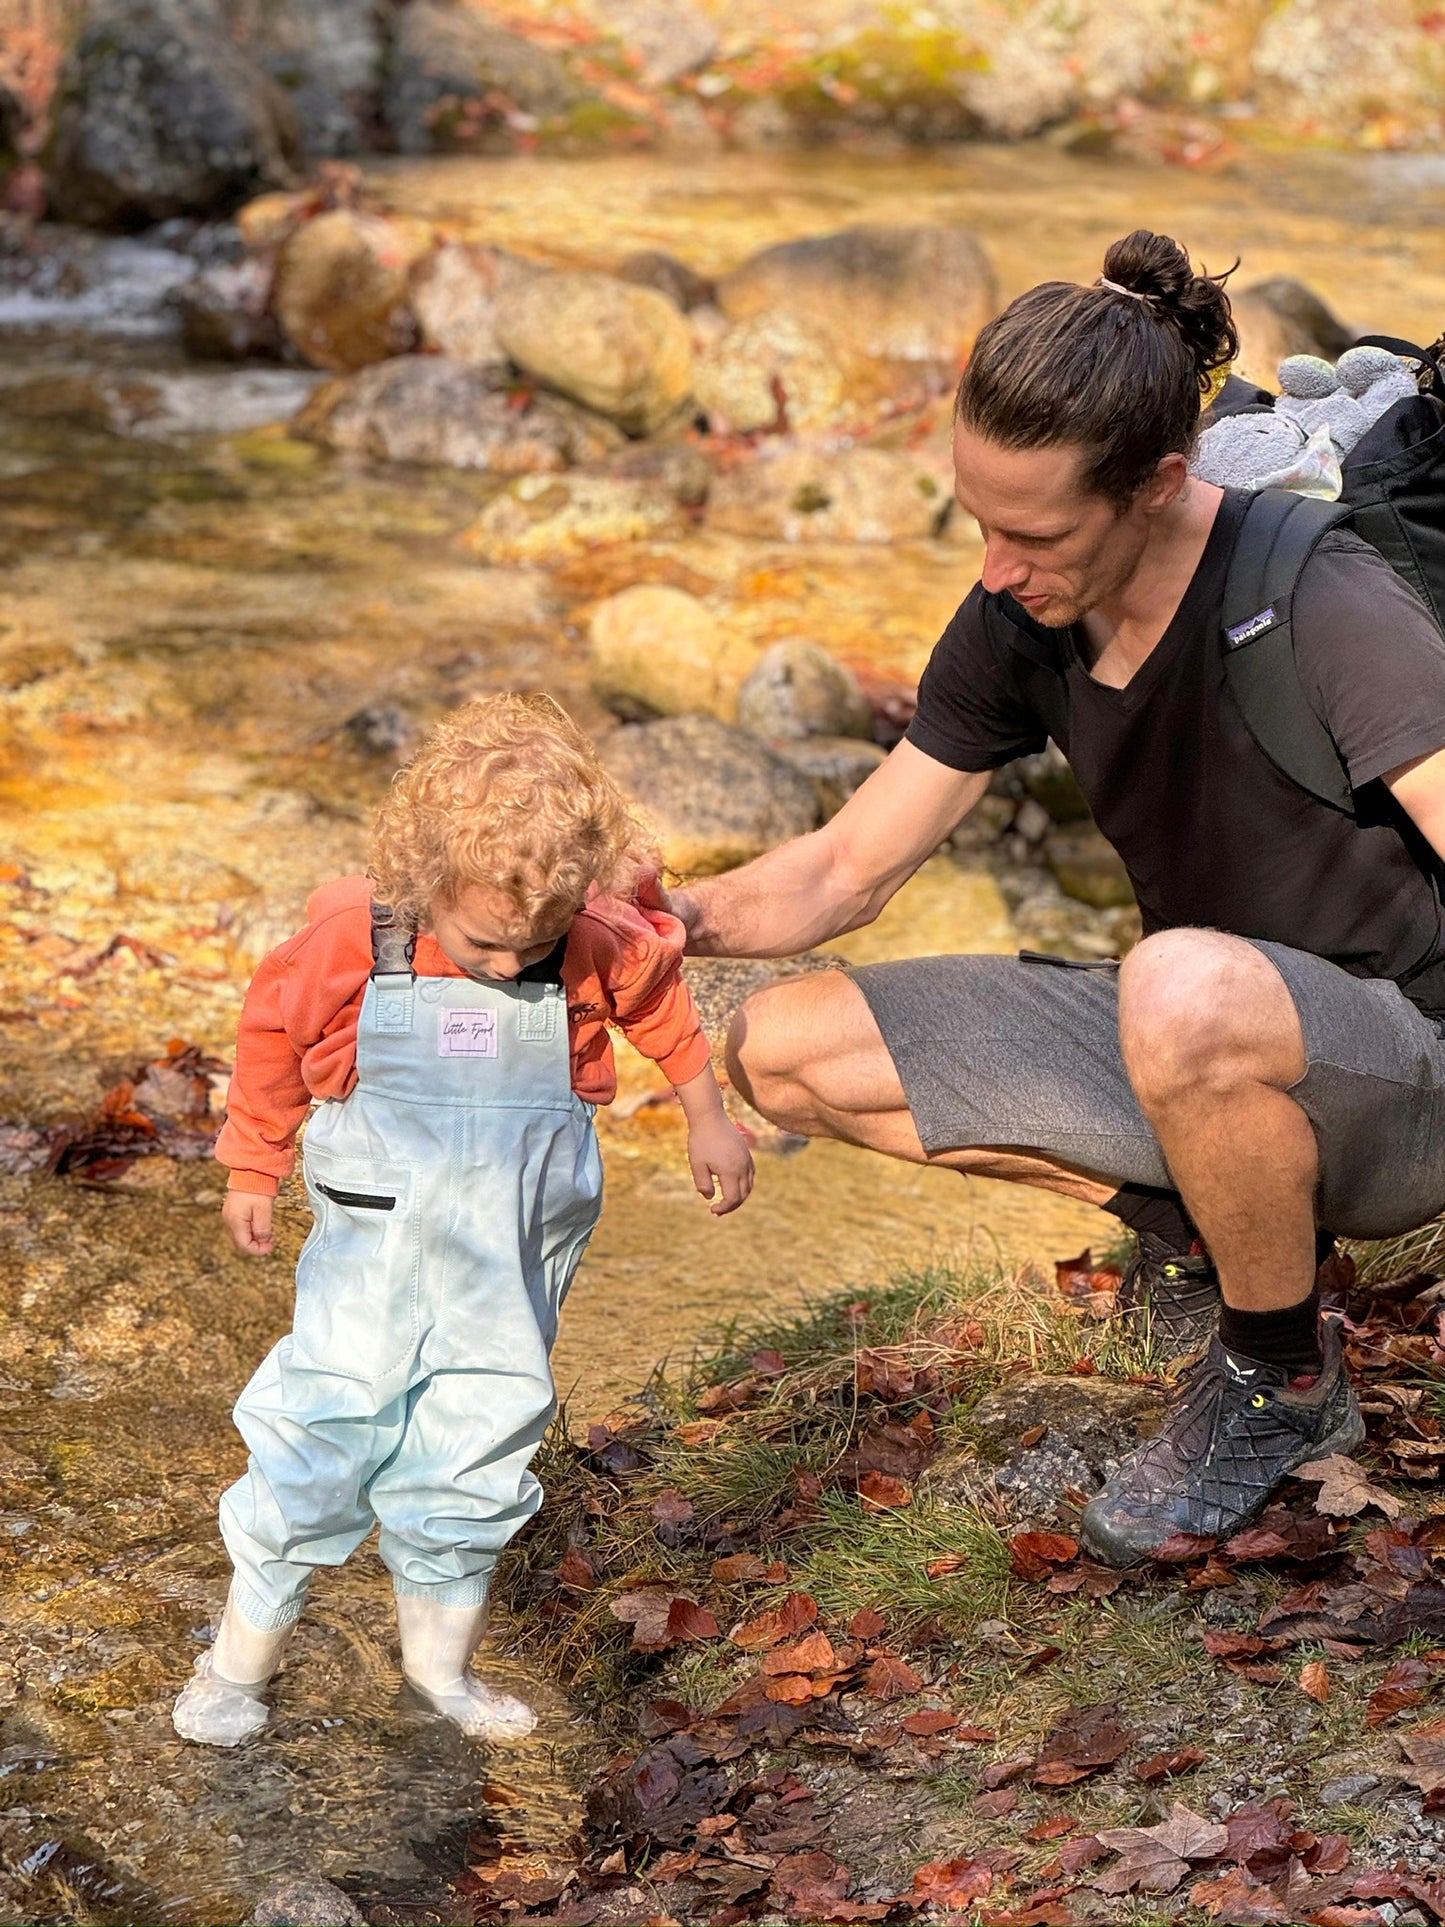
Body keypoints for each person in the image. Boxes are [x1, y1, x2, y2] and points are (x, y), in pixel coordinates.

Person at [657, 229, 1445, 1566]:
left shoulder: (1320, 599)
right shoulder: (1023, 616)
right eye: (977, 519)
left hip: (1409, 1078)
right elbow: (849, 867)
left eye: (1031, 530)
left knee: (1177, 982)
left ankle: (1275, 1381)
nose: (993, 566)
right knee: (783, 1049)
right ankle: (1228, 1229)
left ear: (1155, 483)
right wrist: (662, 918)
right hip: (1204, 1035)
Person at [173, 692, 753, 1748]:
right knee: (323, 1428)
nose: (507, 964)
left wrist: (706, 1116)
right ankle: (237, 1662)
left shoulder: (586, 935)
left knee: (482, 1434)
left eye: (533, 941)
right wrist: (250, 1167)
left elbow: (661, 1005)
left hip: (513, 1244)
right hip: (375, 1243)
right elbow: (270, 1031)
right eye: (486, 941)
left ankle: (438, 1666)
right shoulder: (359, 937)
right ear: (425, 879)